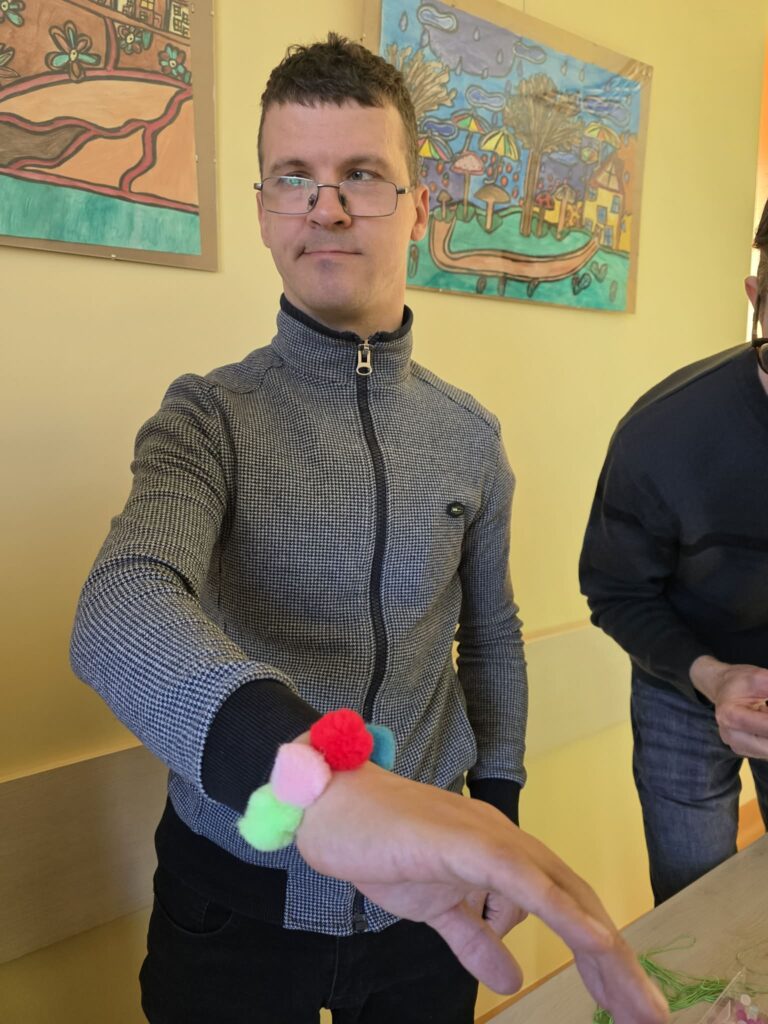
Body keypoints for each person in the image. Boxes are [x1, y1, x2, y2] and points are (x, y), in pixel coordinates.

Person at [71, 33, 667, 1024]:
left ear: (420, 207)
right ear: (264, 210)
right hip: (230, 907)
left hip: (427, 912)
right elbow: (121, 603)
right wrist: (313, 780)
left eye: (361, 174)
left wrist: (496, 810)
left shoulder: (470, 436)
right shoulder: (205, 418)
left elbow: (493, 635)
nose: (328, 206)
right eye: (294, 177)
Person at [580, 201, 768, 907]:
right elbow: (617, 591)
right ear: (756, 297)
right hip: (686, 685)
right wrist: (711, 677)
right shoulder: (665, 435)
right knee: (693, 904)